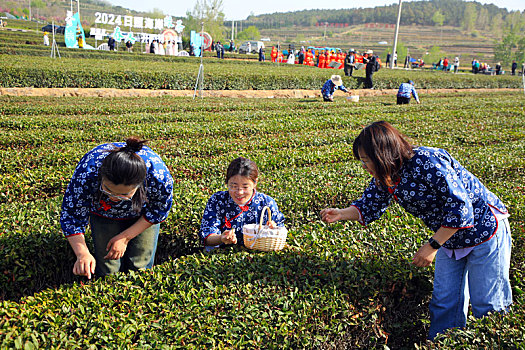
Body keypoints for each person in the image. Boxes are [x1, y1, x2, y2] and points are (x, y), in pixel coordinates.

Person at [321, 121, 512, 341]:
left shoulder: (427, 162)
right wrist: (341, 213)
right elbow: (370, 204)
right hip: (449, 238)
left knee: (487, 303)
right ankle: (443, 343)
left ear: (382, 154)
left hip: (483, 229)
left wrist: (432, 246)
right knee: (444, 301)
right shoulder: (387, 176)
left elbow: (460, 207)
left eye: (366, 160)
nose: (364, 166)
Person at [60, 138, 174, 279]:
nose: (114, 198)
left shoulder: (158, 176)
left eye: (123, 194)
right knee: (109, 270)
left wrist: (125, 238)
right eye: (107, 190)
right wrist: (82, 253)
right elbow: (72, 216)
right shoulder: (87, 172)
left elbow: (158, 211)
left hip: (142, 215)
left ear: (140, 185)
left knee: (140, 266)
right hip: (103, 213)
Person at [199, 157, 285, 251]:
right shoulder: (218, 200)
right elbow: (207, 236)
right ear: (227, 182)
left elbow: (281, 231)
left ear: (255, 182)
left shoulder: (266, 203)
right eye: (233, 186)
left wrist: (272, 228)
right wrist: (221, 238)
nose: (239, 192)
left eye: (245, 187)